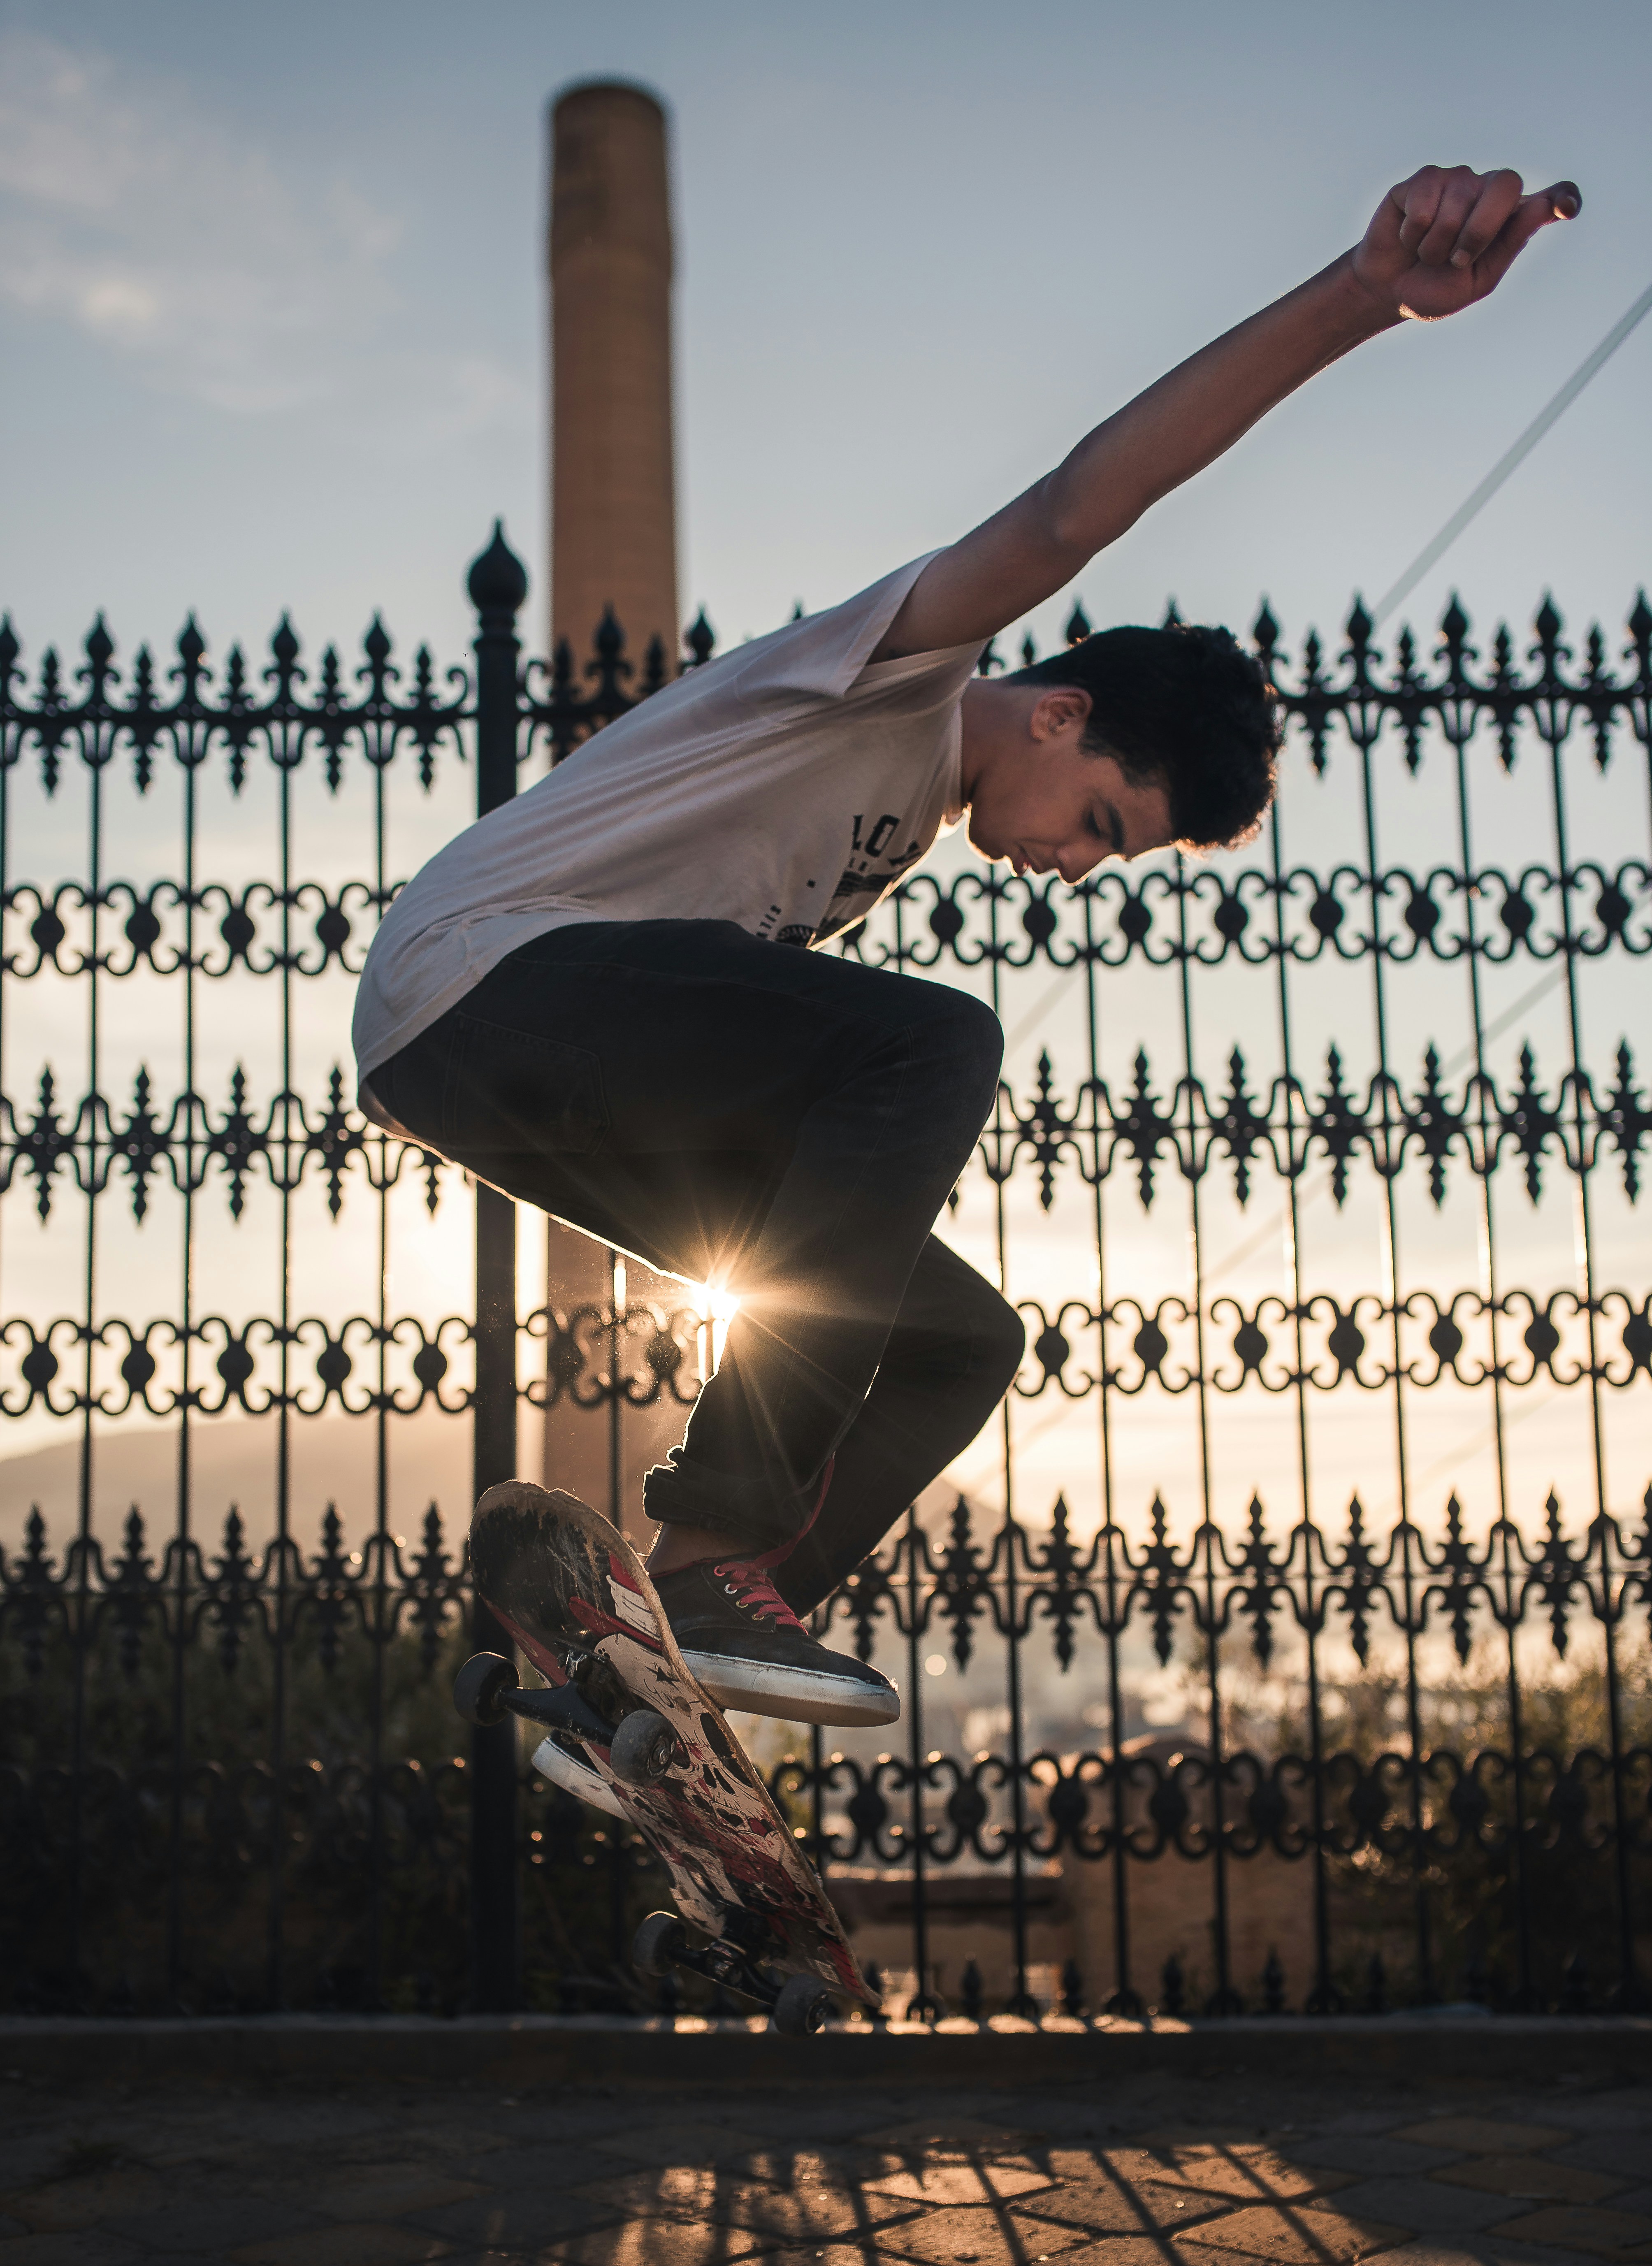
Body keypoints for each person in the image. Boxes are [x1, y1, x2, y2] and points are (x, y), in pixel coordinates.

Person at [355, 163, 1579, 1736]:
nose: (1074, 865)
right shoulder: (904, 676)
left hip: (531, 1067)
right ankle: (720, 1548)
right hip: (486, 982)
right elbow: (1084, 503)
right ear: (1063, 712)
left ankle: (659, 1656)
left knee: (958, 1339)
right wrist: (1363, 296)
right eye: (1104, 824)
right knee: (932, 1044)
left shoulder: (906, 813)